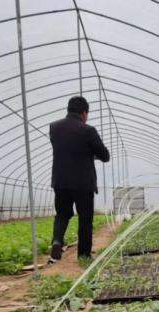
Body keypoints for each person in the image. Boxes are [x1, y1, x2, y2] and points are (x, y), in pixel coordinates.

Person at [49, 96, 109, 261]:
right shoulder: (88, 131)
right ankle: (83, 254)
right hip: (83, 183)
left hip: (60, 181)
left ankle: (57, 241)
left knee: (62, 214)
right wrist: (91, 153)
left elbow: (64, 148)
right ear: (84, 113)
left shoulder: (54, 127)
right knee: (85, 218)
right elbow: (105, 156)